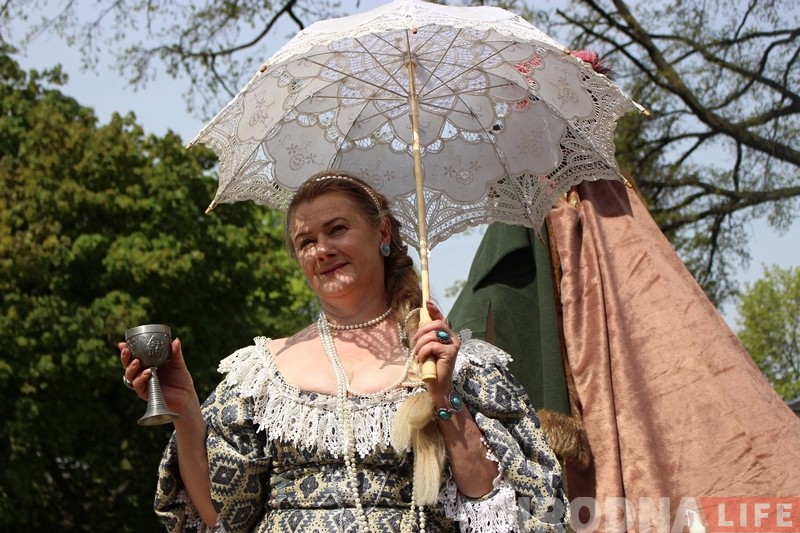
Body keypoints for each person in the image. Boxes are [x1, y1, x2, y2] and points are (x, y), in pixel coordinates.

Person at [119, 170, 569, 532]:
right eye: (306, 242)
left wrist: (444, 396)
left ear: (383, 233)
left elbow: (497, 509)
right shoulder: (260, 374)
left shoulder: (455, 361)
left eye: (337, 230)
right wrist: (185, 410)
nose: (322, 250)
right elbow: (220, 516)